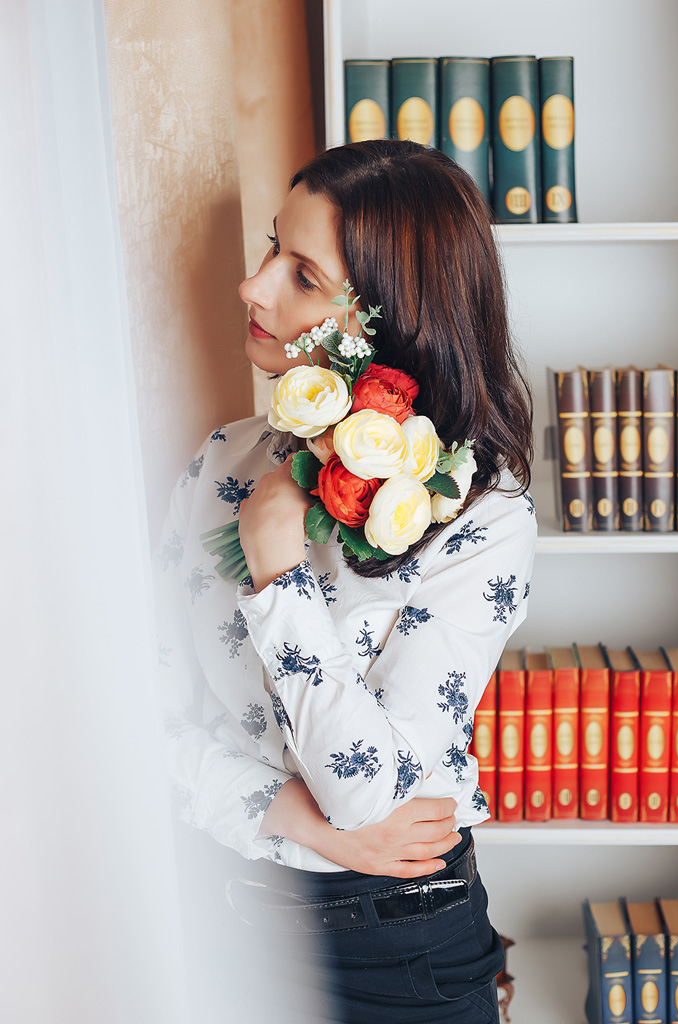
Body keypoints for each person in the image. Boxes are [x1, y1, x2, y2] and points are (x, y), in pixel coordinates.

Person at [154, 139, 536, 1023]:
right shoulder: (221, 463)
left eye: (302, 274)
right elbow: (145, 727)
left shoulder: (480, 518)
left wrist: (277, 567)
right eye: (268, 250)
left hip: (397, 951)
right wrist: (290, 816)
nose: (253, 288)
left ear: (390, 321)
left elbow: (369, 791)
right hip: (218, 926)